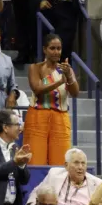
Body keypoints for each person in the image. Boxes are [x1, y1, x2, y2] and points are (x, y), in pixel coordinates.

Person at [26, 34, 79, 166]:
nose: (56, 52)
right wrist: (60, 81)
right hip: (37, 117)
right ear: (45, 49)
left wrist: (69, 77)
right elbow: (37, 89)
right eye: (52, 48)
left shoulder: (66, 69)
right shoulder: (35, 68)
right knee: (35, 160)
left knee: (60, 163)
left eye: (59, 48)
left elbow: (75, 93)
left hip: (60, 117)